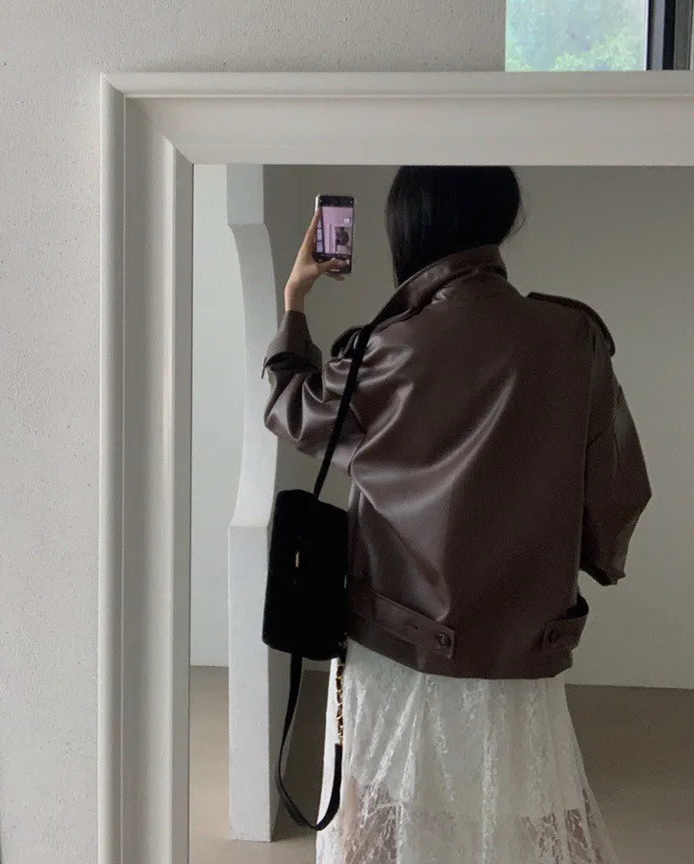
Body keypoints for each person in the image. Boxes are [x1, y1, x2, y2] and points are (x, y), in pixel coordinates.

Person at [262, 166, 652, 864]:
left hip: (394, 635)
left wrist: (296, 300)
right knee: (539, 808)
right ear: (501, 218)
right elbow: (618, 487)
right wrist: (594, 558)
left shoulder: (387, 349)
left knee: (373, 814)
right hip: (524, 640)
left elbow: (293, 411)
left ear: (406, 230)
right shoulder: (573, 337)